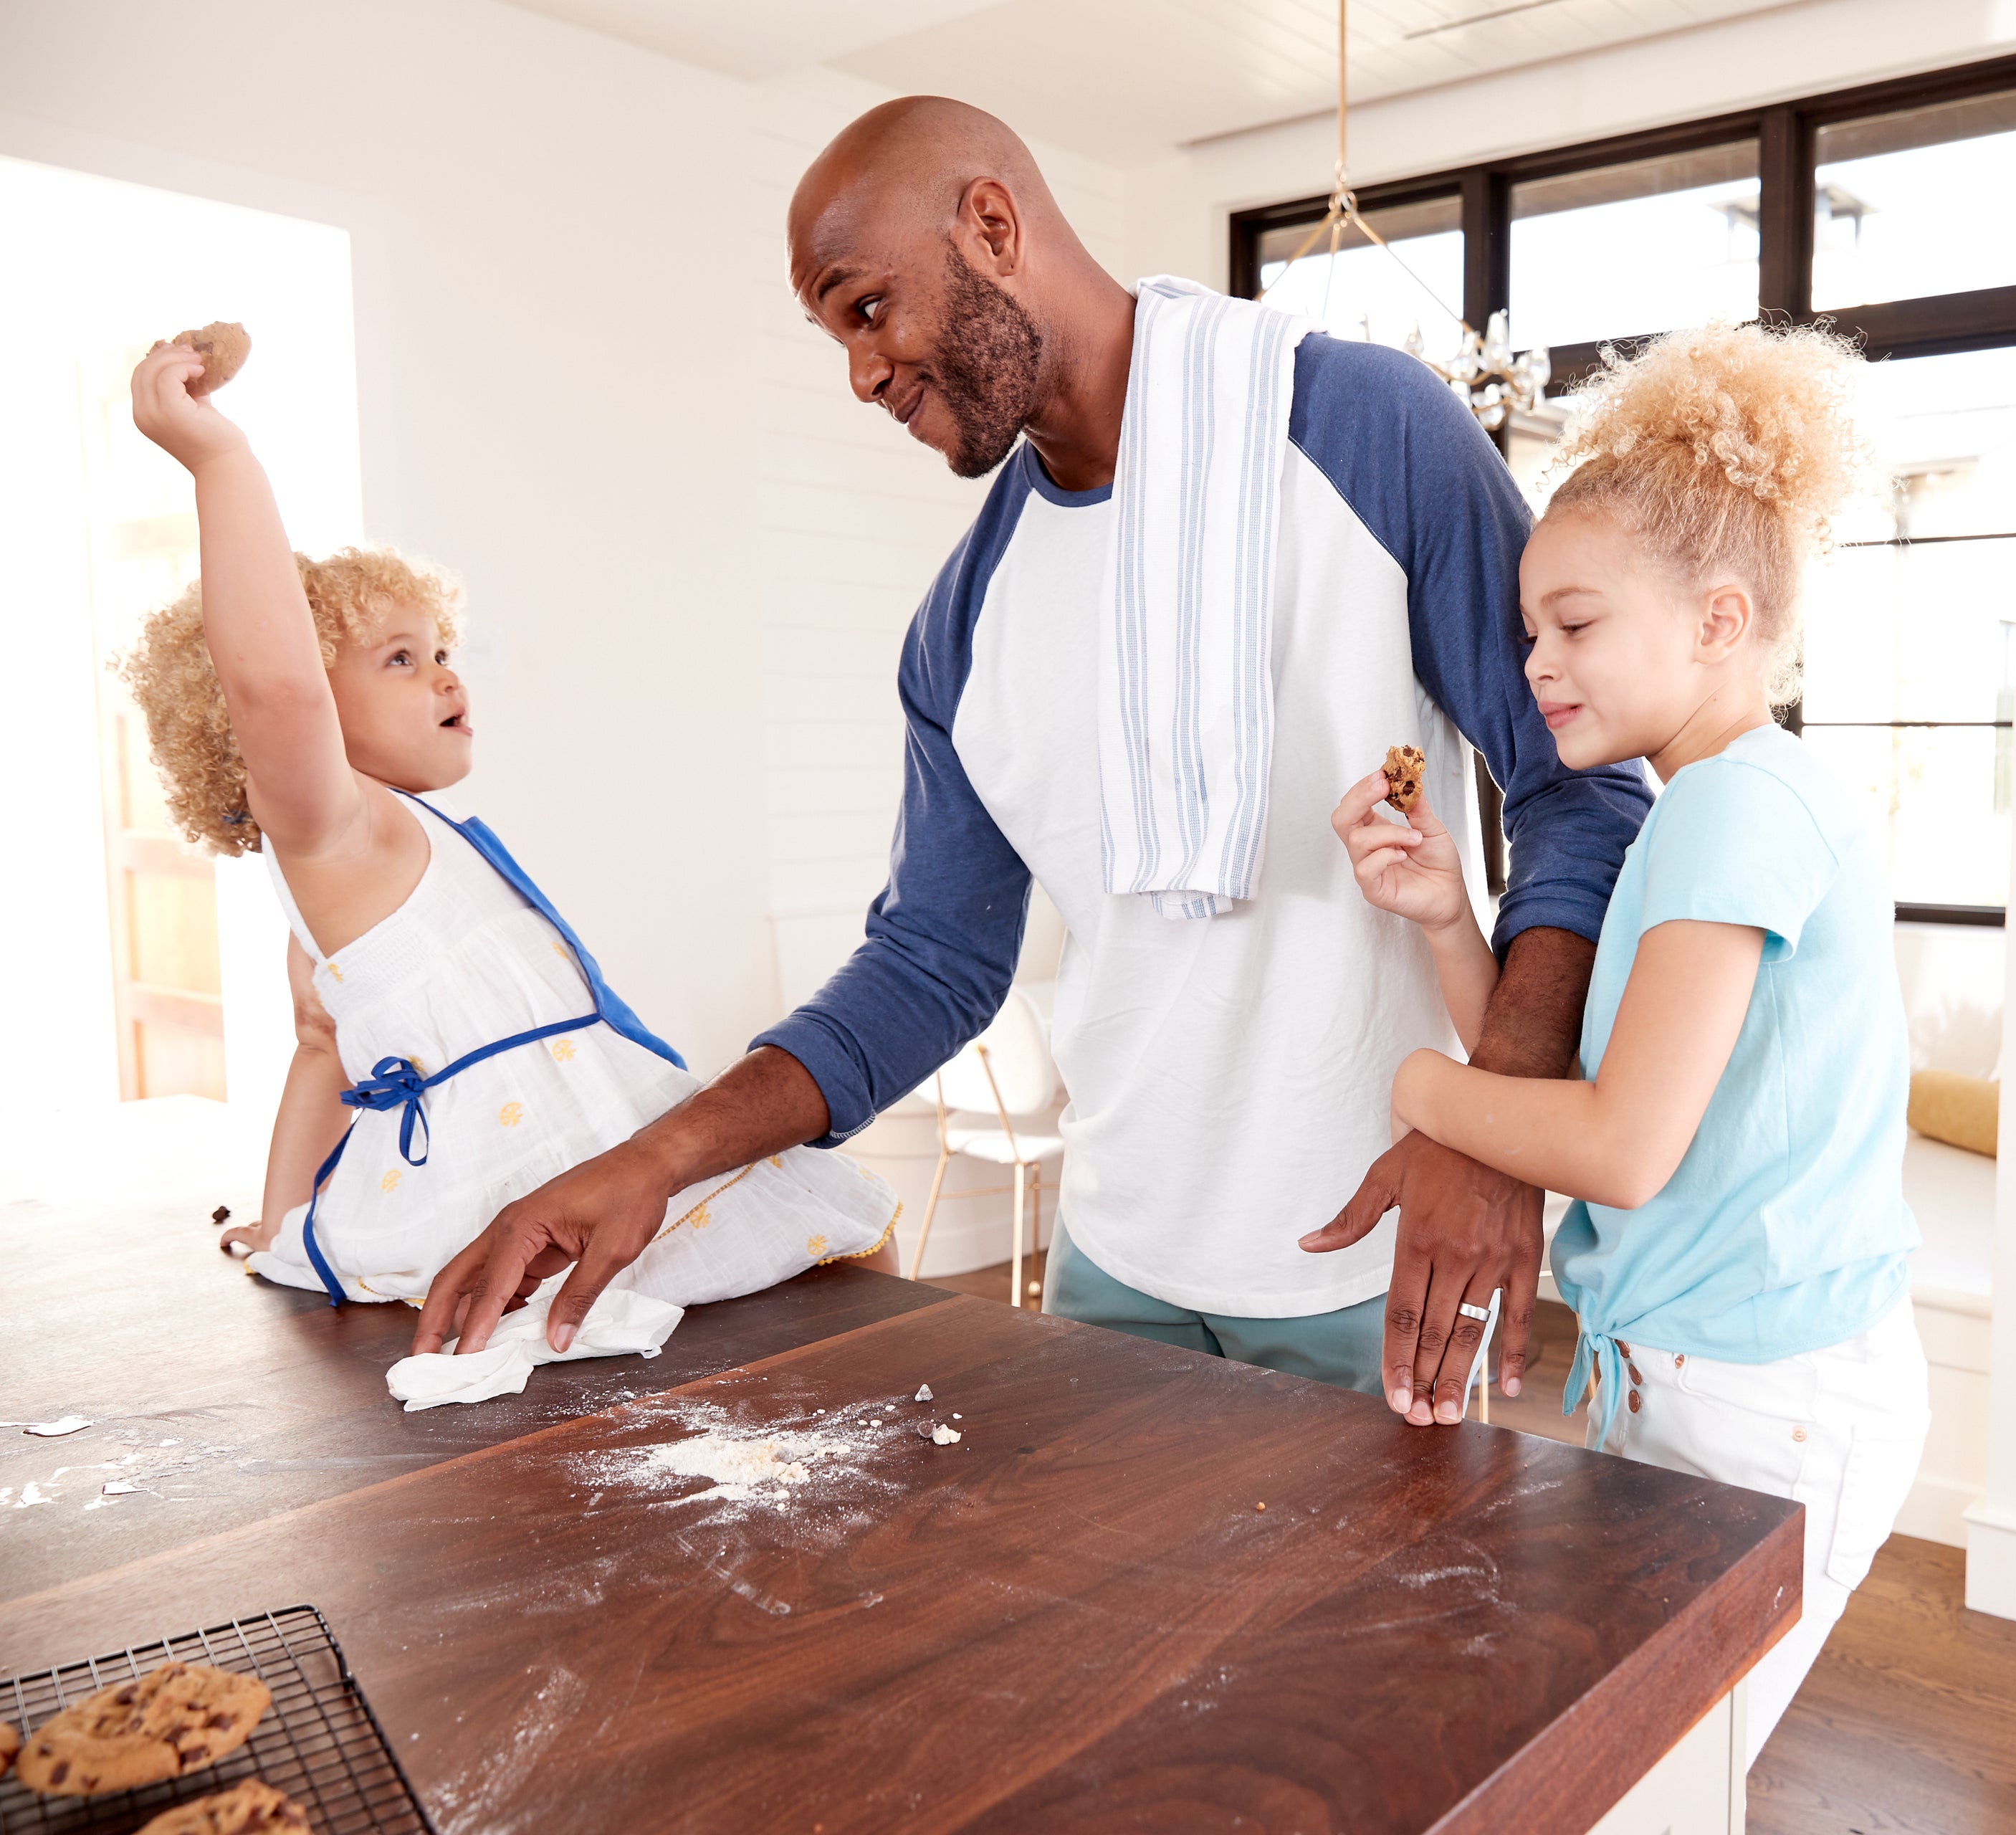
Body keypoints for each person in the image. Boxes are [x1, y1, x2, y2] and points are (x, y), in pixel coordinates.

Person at [411, 97, 1649, 1407]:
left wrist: (1502, 1131)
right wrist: (652, 1162)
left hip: (1378, 1269)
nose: (860, 375)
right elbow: (932, 963)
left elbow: (1579, 791)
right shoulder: (964, 620)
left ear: (991, 227)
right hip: (1112, 1271)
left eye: (866, 308)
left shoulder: (1365, 435)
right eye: (835, 334)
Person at [1329, 320, 1932, 1755]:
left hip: (1769, 1403)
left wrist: (1414, 1085)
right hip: (1700, 1376)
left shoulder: (1736, 810)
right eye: (1532, 629)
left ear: (1719, 623)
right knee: (1642, 1772)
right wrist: (1444, 918)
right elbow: (1581, 1093)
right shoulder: (1706, 808)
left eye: (1578, 625)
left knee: (1653, 1774)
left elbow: (1618, 1148)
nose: (1536, 665)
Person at [120, 338, 895, 1310]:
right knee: (839, 1263)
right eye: (400, 660)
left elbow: (321, 1047)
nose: (447, 674)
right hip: (514, 1183)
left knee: (846, 1254)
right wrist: (220, 460)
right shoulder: (336, 833)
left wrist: (282, 1227)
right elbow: (271, 687)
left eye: (440, 648)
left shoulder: (385, 855)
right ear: (310, 703)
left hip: (596, 1151)